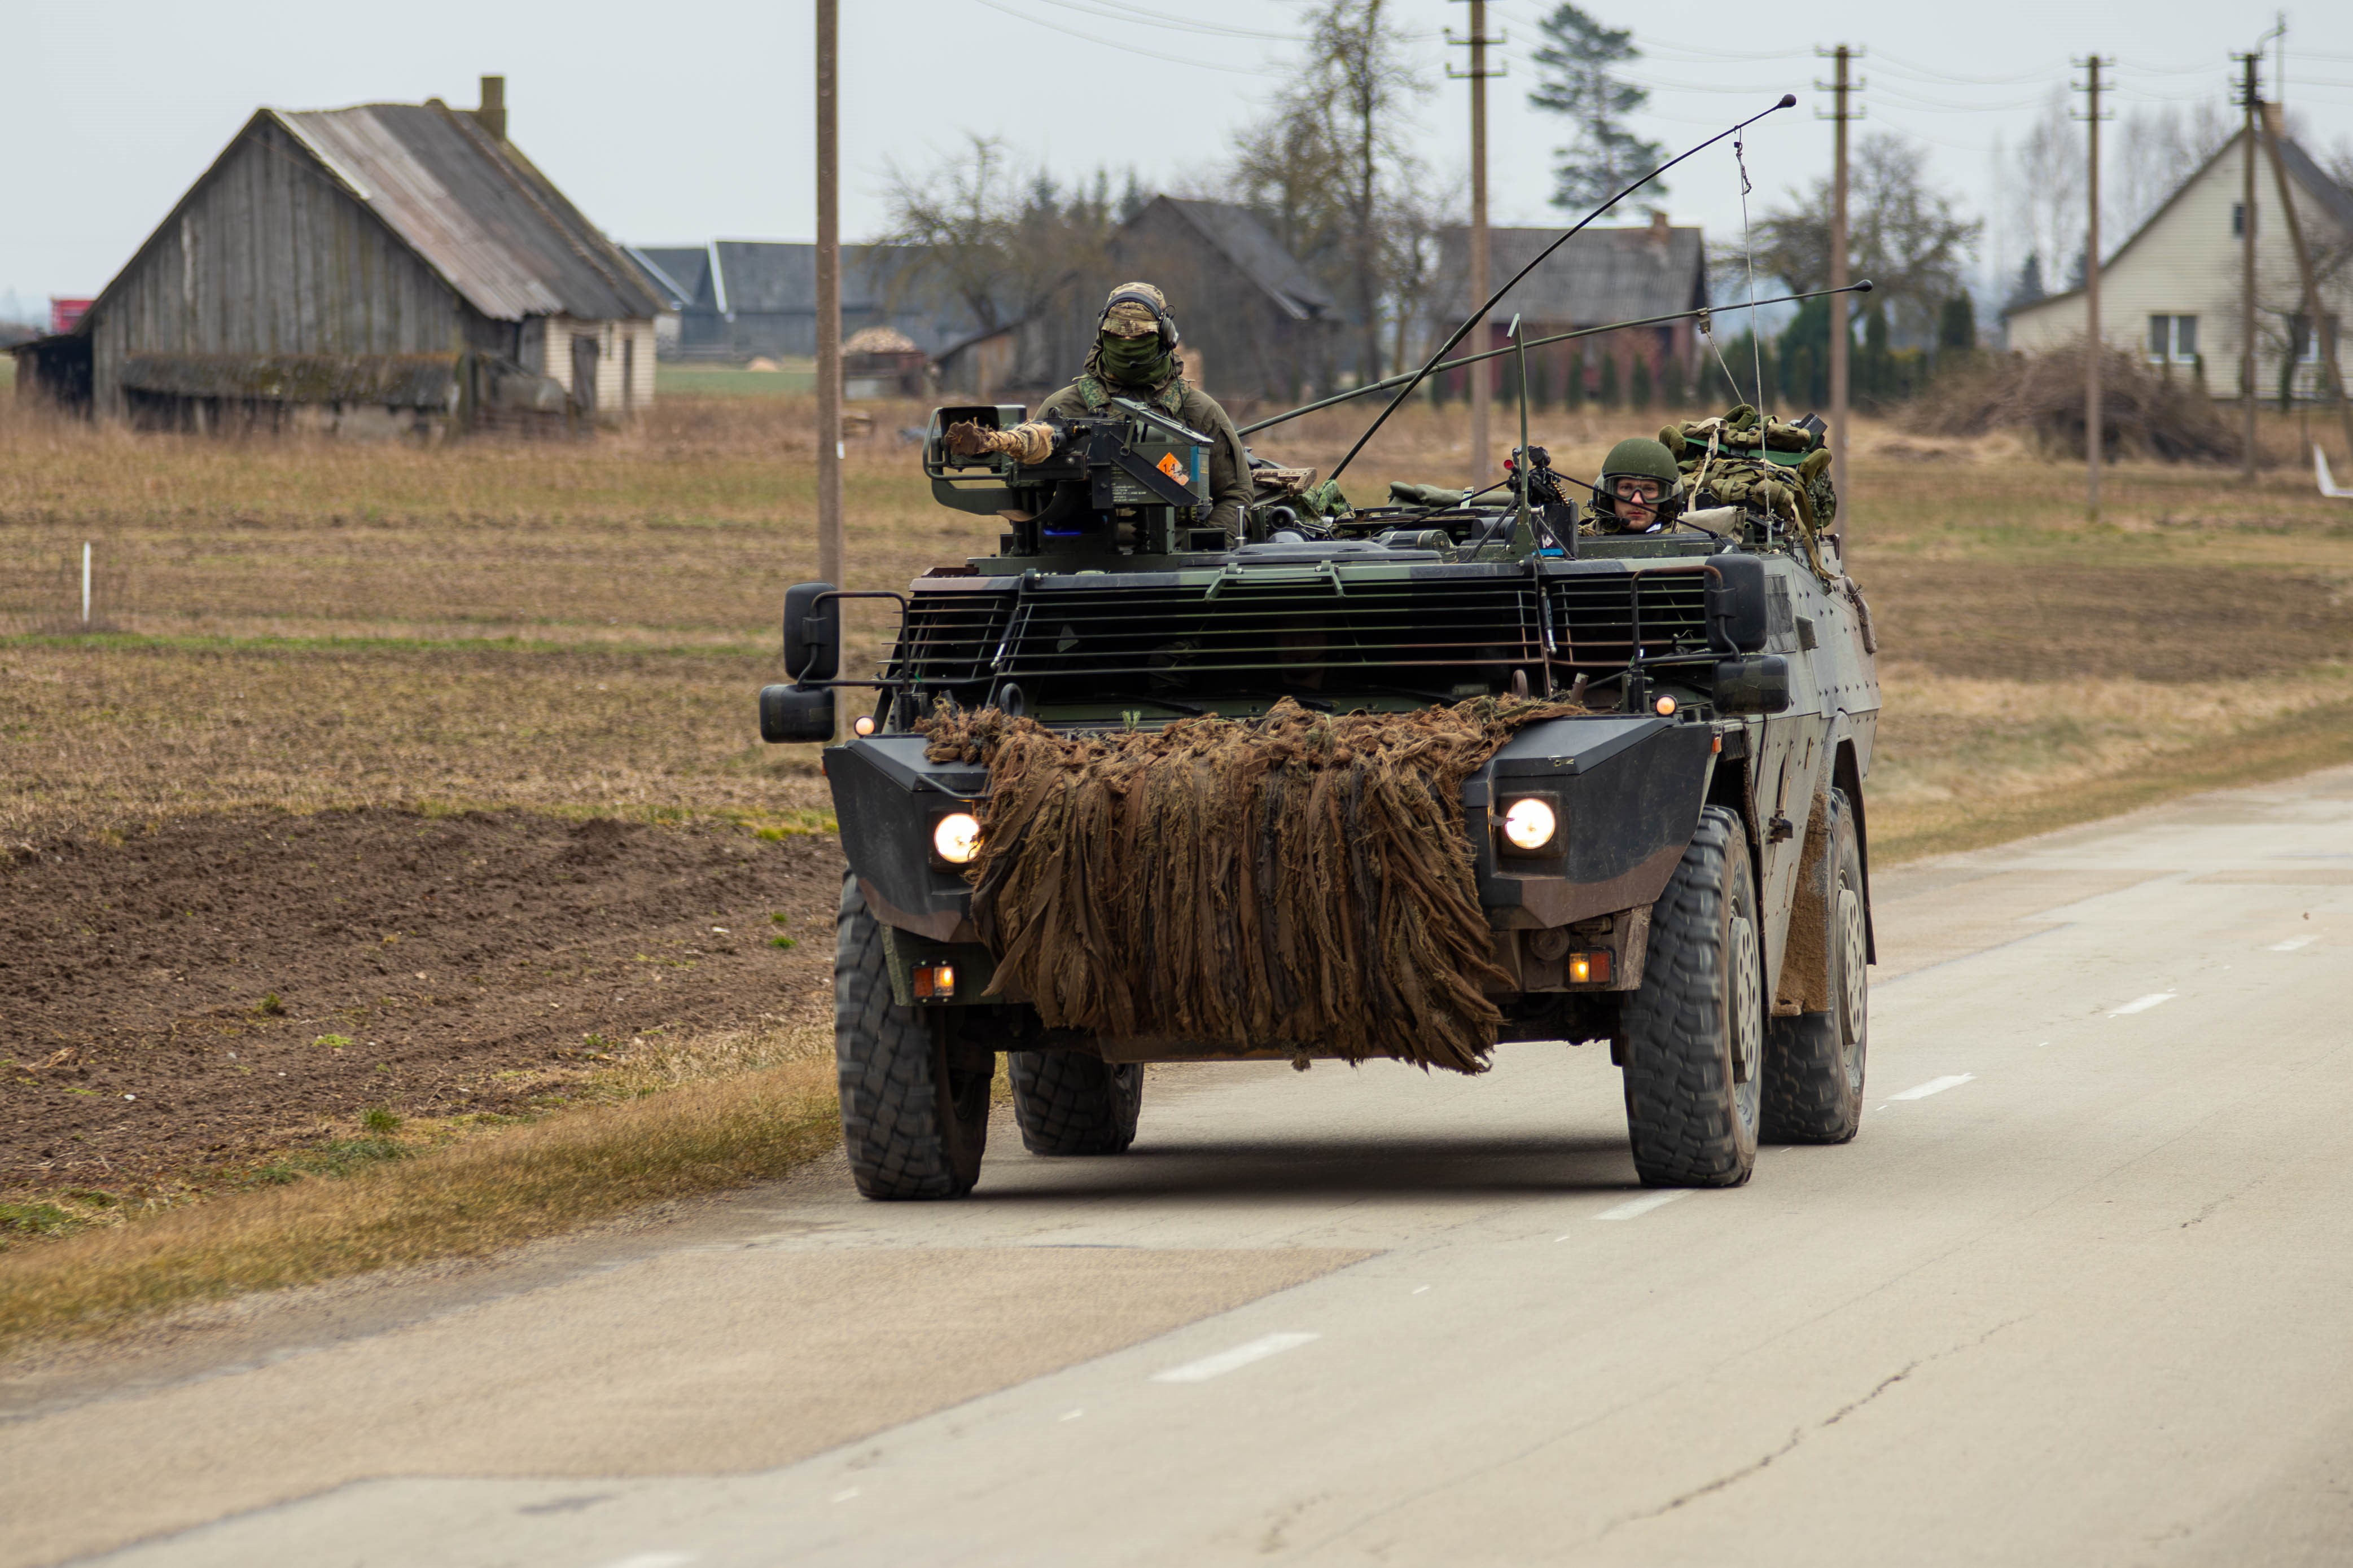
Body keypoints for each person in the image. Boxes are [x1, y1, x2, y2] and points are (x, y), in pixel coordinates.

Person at [1035, 283, 1254, 541]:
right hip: (1080, 556)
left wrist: (1202, 548)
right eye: (1117, 335)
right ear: (1102, 335)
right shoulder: (1062, 409)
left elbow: (1236, 494)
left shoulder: (1198, 412)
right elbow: (1028, 493)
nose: (1128, 343)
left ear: (1165, 336)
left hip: (1179, 562)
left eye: (1139, 336)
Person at [1584, 437, 1686, 535]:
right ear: (1606, 498)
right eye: (1626, 488)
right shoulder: (1576, 543)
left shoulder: (1691, 546)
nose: (1637, 501)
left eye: (1649, 489)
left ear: (1670, 502)